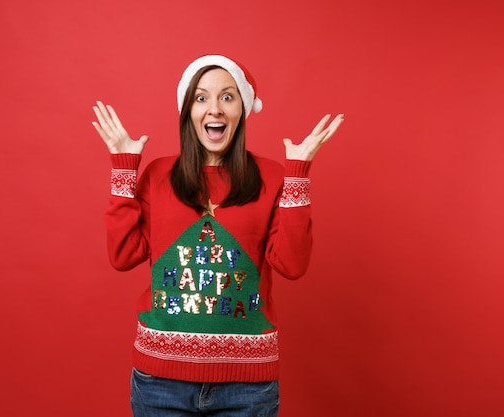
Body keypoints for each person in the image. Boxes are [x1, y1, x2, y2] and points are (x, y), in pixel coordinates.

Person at [92, 54, 344, 417]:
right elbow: (123, 255)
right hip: (160, 382)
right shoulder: (158, 175)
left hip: (248, 388)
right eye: (201, 98)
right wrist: (123, 169)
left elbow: (291, 264)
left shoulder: (273, 177)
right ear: (187, 110)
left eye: (227, 97)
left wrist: (298, 176)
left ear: (242, 108)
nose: (215, 109)